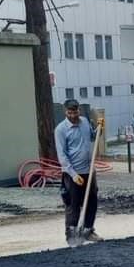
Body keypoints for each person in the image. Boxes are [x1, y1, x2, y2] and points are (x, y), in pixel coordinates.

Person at [54, 99, 103, 246]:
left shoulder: (84, 122)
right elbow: (62, 155)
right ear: (65, 112)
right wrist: (73, 175)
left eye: (75, 112)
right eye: (70, 112)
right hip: (72, 174)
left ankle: (88, 231)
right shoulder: (61, 130)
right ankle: (72, 236)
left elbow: (92, 137)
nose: (73, 115)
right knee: (72, 204)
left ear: (79, 111)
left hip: (89, 171)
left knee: (92, 202)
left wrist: (99, 129)